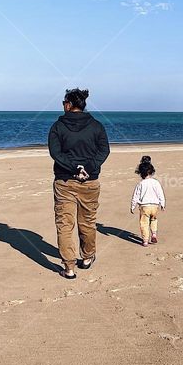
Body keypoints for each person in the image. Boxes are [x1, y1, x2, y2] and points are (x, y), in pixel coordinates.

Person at [48, 88, 110, 279]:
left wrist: (81, 168)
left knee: (66, 225)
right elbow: (104, 150)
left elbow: (56, 154)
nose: (63, 106)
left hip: (67, 181)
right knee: (87, 222)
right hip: (83, 181)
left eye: (64, 102)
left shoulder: (58, 127)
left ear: (69, 104)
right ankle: (86, 257)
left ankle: (70, 267)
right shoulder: (96, 126)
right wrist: (83, 168)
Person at [130, 155, 165, 247]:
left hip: (144, 207)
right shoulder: (156, 182)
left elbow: (136, 196)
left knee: (144, 223)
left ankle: (145, 240)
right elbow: (160, 193)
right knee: (154, 220)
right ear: (152, 172)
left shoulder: (140, 184)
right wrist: (162, 204)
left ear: (140, 173)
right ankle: (153, 234)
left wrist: (133, 206)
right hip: (155, 206)